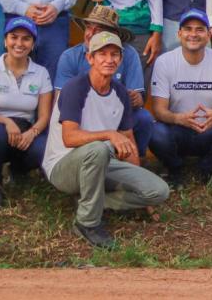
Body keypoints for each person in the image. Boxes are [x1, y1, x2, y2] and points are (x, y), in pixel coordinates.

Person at [42, 31, 170, 249]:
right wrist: (109, 134)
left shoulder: (120, 92)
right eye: (102, 54)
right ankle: (87, 222)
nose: (109, 60)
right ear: (90, 58)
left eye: (114, 55)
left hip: (100, 161)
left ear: (121, 60)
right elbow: (69, 137)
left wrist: (143, 195)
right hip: (63, 166)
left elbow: (128, 140)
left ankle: (94, 202)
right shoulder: (75, 87)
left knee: (158, 191)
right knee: (99, 149)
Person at [149, 10, 212, 186]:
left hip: (210, 129)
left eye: (200, 29)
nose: (193, 34)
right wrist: (178, 118)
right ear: (179, 34)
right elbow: (159, 110)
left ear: (208, 36)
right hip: (178, 130)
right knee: (155, 132)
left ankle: (208, 167)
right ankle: (175, 168)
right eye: (188, 29)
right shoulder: (164, 61)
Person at [0, 16, 52, 210]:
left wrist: (32, 132)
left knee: (43, 149)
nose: (19, 43)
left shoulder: (41, 73)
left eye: (26, 39)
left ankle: (18, 171)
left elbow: (44, 117)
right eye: (14, 37)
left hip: (25, 131)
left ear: (33, 44)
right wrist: (5, 122)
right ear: (5, 41)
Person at [55, 5, 153, 159]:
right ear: (90, 58)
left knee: (144, 118)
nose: (90, 34)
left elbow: (138, 99)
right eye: (88, 27)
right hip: (81, 117)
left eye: (98, 30)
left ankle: (134, 159)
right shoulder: (69, 57)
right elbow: (60, 102)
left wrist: (135, 98)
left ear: (114, 35)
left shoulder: (129, 54)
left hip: (117, 114)